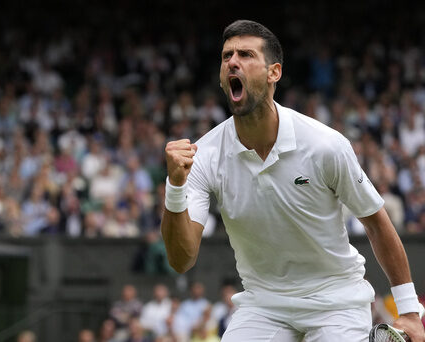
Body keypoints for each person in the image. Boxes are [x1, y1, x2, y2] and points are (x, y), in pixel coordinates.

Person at [161, 19, 425, 342]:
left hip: (336, 300)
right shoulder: (203, 156)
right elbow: (181, 259)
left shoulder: (324, 145)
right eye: (226, 55)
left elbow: (375, 223)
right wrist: (175, 188)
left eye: (245, 54)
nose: (232, 61)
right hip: (263, 303)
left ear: (274, 73)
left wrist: (410, 311)